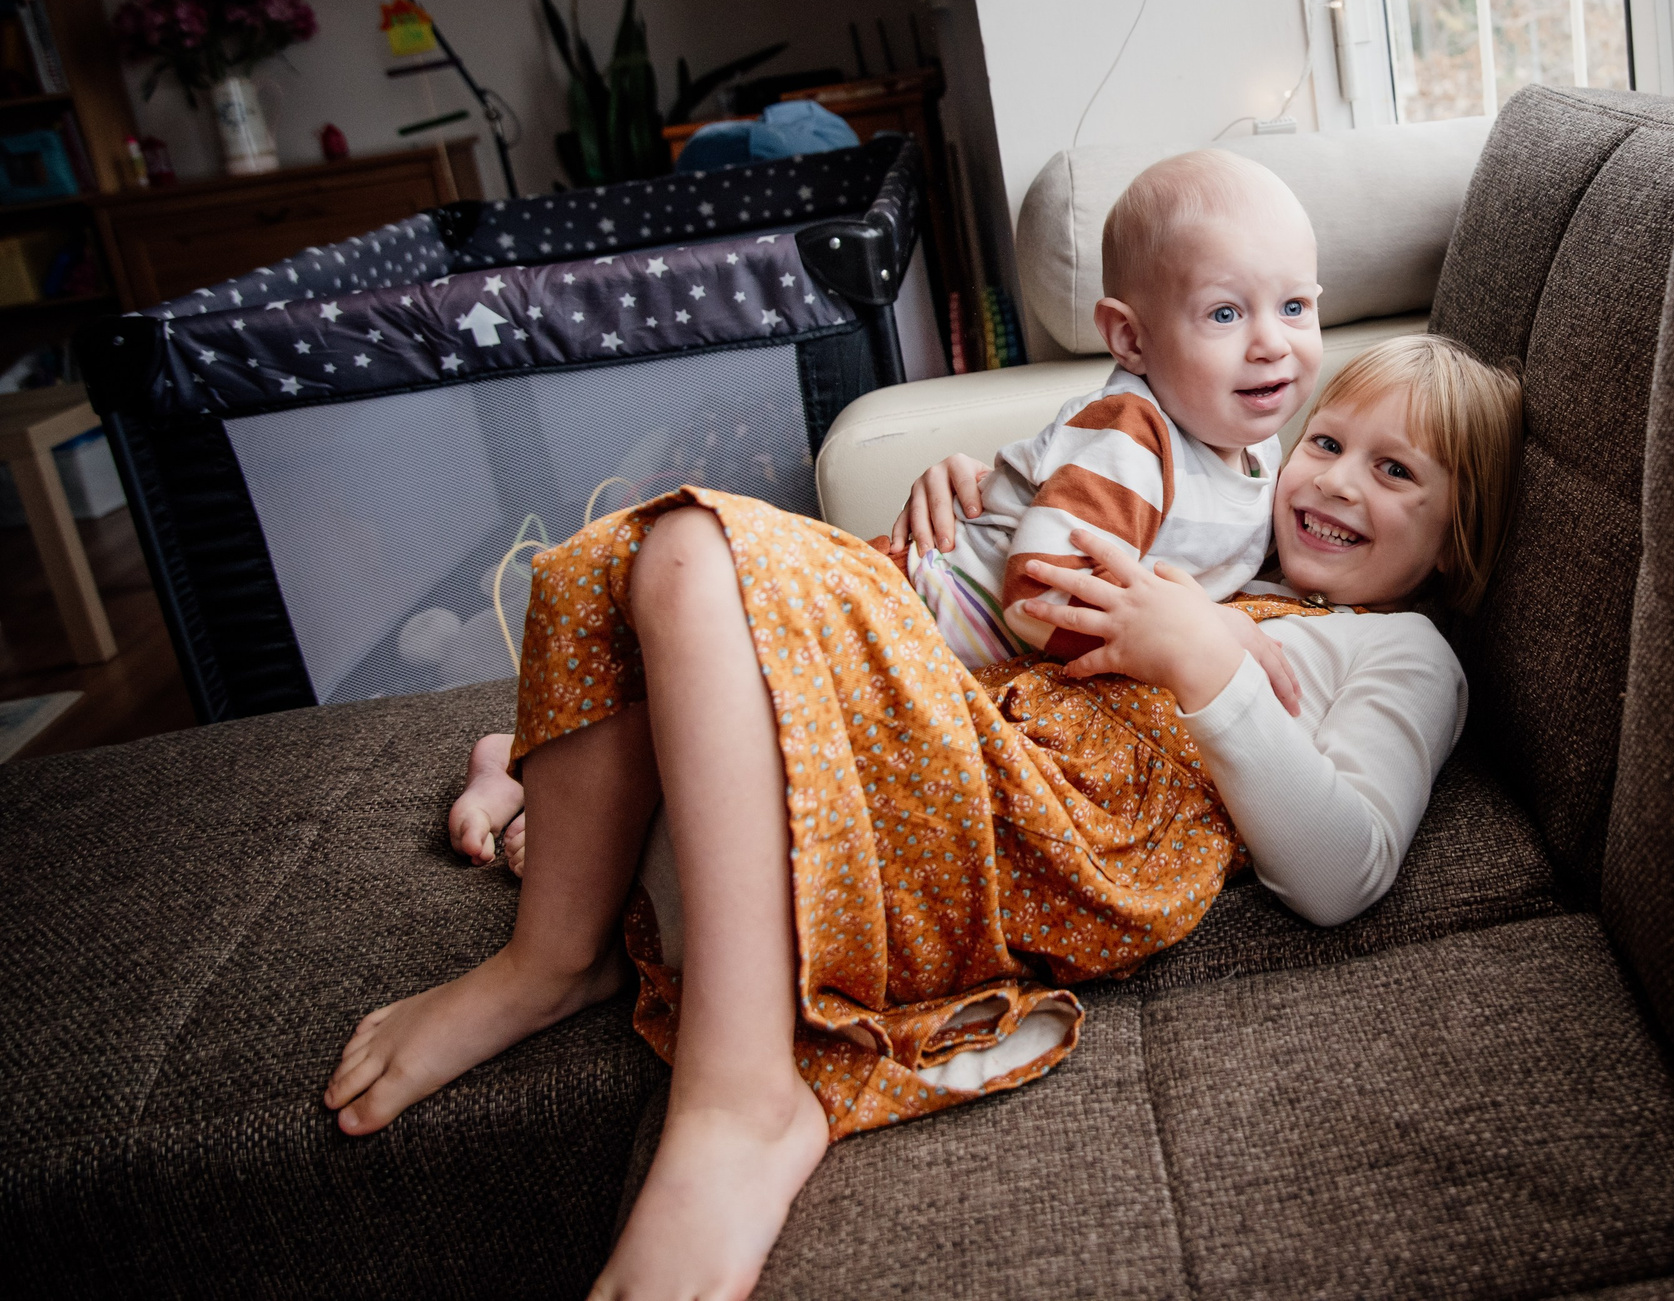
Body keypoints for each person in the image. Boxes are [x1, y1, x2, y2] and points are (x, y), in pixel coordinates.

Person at [327, 333, 1521, 1301]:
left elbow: (1346, 867)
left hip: (1036, 841)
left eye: (1396, 470)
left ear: (1458, 538)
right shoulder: (1224, 536)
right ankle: (555, 942)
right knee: (609, 559)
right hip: (932, 775)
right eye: (1325, 442)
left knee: (696, 551)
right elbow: (1051, 543)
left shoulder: (1402, 650)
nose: (1335, 481)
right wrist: (981, 495)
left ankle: (740, 1099)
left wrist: (1211, 667)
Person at [449, 146, 1320, 873]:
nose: (1272, 341)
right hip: (899, 606)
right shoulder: (1133, 431)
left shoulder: (1254, 442)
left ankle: (530, 767)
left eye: (1294, 306)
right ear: (1131, 339)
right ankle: (528, 768)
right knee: (717, 704)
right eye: (1224, 312)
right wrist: (1204, 629)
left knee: (722, 724)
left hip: (927, 641)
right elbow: (1039, 593)